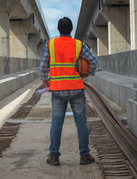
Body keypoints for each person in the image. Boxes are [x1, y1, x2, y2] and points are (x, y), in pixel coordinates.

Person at [40, 17, 98, 166]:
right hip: (76, 88)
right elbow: (93, 61)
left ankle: (53, 156)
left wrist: (45, 81)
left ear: (58, 30)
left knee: (56, 123)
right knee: (81, 122)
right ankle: (85, 155)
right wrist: (87, 73)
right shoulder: (79, 44)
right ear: (71, 30)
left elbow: (43, 66)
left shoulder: (51, 44)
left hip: (58, 90)